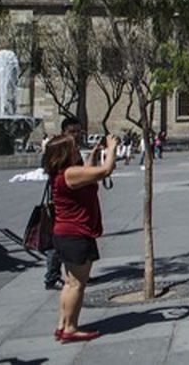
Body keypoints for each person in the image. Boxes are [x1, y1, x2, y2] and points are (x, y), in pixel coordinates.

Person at [44, 131, 116, 343]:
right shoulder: (69, 174)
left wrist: (94, 154)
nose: (76, 148)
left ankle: (62, 325)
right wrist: (112, 148)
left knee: (69, 283)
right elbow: (105, 170)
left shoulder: (63, 173)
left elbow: (87, 171)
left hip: (64, 233)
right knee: (77, 284)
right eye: (73, 146)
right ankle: (71, 328)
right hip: (76, 234)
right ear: (65, 152)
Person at [42, 117, 82, 291]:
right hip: (60, 202)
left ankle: (73, 272)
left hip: (74, 201)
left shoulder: (74, 149)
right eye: (73, 131)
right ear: (64, 132)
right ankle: (51, 277)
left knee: (66, 240)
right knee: (56, 243)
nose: (76, 135)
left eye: (79, 131)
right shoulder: (57, 148)